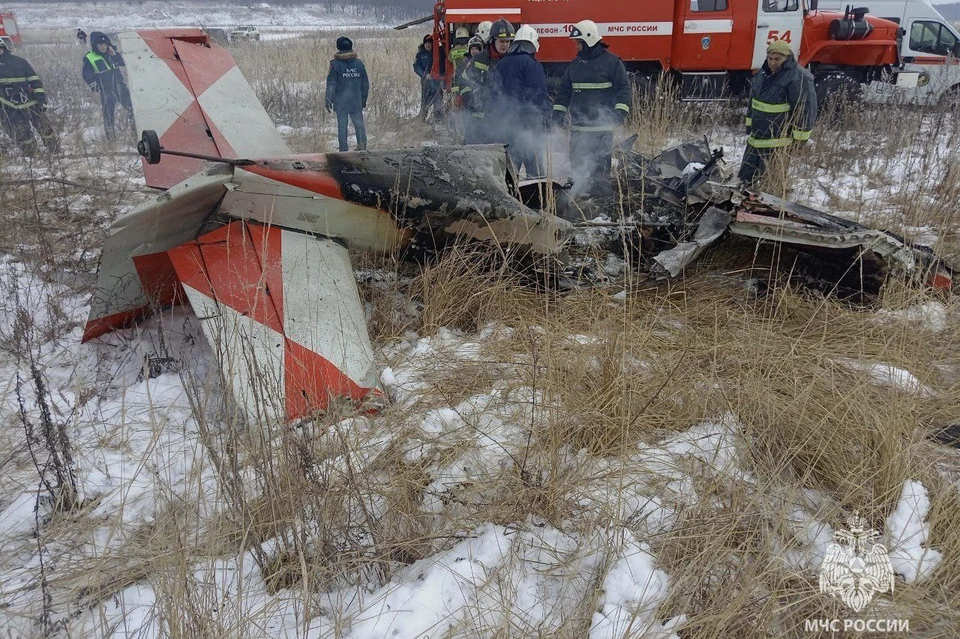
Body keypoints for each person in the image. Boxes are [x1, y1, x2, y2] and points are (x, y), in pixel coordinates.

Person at [552, 19, 631, 194]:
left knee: (600, 172)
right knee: (577, 171)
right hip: (578, 130)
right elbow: (563, 92)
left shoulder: (612, 63)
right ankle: (577, 201)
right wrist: (557, 114)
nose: (576, 47)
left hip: (601, 130)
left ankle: (601, 205)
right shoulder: (575, 65)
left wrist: (620, 113)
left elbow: (624, 89)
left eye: (578, 43)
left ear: (589, 39)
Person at [738, 39, 817, 187]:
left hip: (778, 144)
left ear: (787, 58)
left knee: (771, 188)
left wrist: (799, 141)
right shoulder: (763, 73)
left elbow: (805, 110)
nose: (772, 63)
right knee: (743, 183)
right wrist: (749, 127)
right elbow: (753, 101)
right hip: (755, 140)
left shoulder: (799, 78)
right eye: (770, 59)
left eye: (777, 59)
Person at [494, 25, 551, 176]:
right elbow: (539, 96)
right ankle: (537, 197)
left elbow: (493, 95)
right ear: (533, 44)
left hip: (505, 125)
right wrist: (545, 120)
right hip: (528, 127)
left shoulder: (501, 64)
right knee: (535, 172)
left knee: (510, 172)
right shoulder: (532, 65)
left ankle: (509, 197)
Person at [460, 17, 515, 144]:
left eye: (508, 42)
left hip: (503, 120)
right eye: (501, 41)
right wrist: (471, 99)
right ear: (492, 40)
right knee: (471, 154)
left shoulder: (512, 60)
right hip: (479, 120)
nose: (505, 45)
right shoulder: (479, 59)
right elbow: (464, 81)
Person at [0, 39, 59, 155]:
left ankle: (55, 151)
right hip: (9, 106)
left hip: (31, 103)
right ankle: (32, 155)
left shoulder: (20, 62)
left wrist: (41, 100)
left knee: (45, 129)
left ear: (3, 48)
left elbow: (35, 82)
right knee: (22, 133)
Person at [82, 32, 133, 139]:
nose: (103, 46)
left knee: (132, 108)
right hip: (106, 90)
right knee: (108, 116)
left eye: (105, 44)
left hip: (120, 86)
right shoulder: (89, 57)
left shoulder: (112, 53)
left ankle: (135, 133)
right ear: (95, 45)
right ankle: (111, 138)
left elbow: (123, 63)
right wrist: (96, 86)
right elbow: (87, 74)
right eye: (101, 44)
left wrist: (115, 55)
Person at [325, 36, 369, 152]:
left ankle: (343, 150)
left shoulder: (335, 64)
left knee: (342, 126)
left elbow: (331, 84)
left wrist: (328, 99)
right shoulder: (359, 64)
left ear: (338, 47)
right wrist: (363, 99)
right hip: (356, 100)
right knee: (359, 124)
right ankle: (362, 147)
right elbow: (365, 84)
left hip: (341, 103)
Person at [413, 34, 444, 121]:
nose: (428, 45)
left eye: (430, 43)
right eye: (426, 43)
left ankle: (438, 117)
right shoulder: (420, 55)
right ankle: (422, 117)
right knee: (425, 98)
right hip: (426, 81)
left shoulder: (439, 52)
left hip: (438, 80)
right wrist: (424, 75)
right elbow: (416, 67)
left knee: (438, 97)